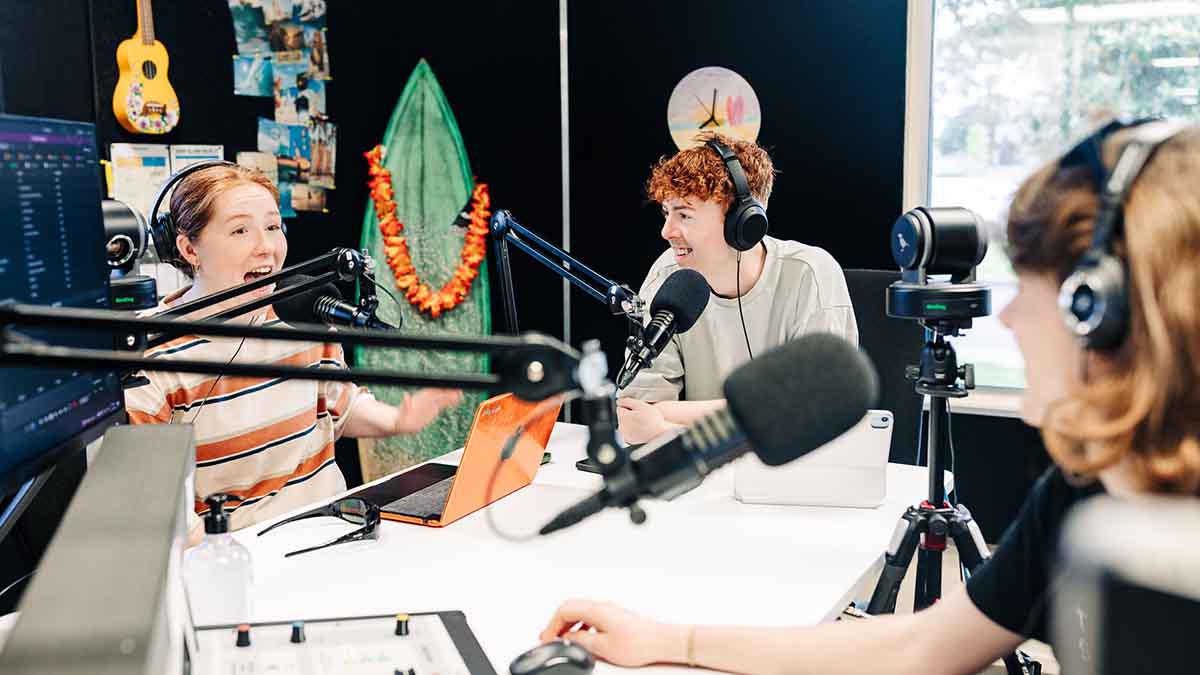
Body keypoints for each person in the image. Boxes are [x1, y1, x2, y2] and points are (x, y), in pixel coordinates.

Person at [539, 120, 1200, 672]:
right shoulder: (1076, 495)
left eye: (1033, 289)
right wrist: (670, 640)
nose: (1007, 319)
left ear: (1102, 311)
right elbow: (916, 644)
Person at [124, 164, 461, 542]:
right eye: (240, 230)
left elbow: (339, 405)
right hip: (236, 558)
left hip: (336, 535)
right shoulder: (149, 353)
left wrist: (400, 420)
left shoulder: (302, 314)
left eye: (272, 227)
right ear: (189, 249)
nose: (266, 247)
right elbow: (158, 510)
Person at [617, 131, 858, 443]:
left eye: (684, 214)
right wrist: (762, 411)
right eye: (666, 212)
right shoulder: (668, 274)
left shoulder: (810, 275)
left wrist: (667, 426)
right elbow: (636, 414)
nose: (666, 231)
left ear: (742, 221)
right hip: (696, 483)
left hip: (795, 481)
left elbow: (816, 415)